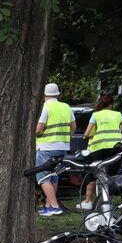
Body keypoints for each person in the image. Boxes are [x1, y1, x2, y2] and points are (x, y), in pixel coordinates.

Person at [81, 94, 122, 208]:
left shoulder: (96, 115)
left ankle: (88, 202)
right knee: (112, 176)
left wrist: (86, 137)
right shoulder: (118, 114)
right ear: (112, 104)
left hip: (99, 148)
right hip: (117, 148)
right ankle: (107, 203)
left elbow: (86, 133)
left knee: (93, 173)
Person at [35, 82, 75, 216]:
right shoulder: (66, 107)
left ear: (44, 95)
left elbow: (39, 129)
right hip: (62, 147)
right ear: (57, 94)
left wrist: (32, 134)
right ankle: (47, 205)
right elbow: (73, 127)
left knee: (43, 176)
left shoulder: (45, 107)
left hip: (46, 146)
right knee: (53, 176)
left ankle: (55, 206)